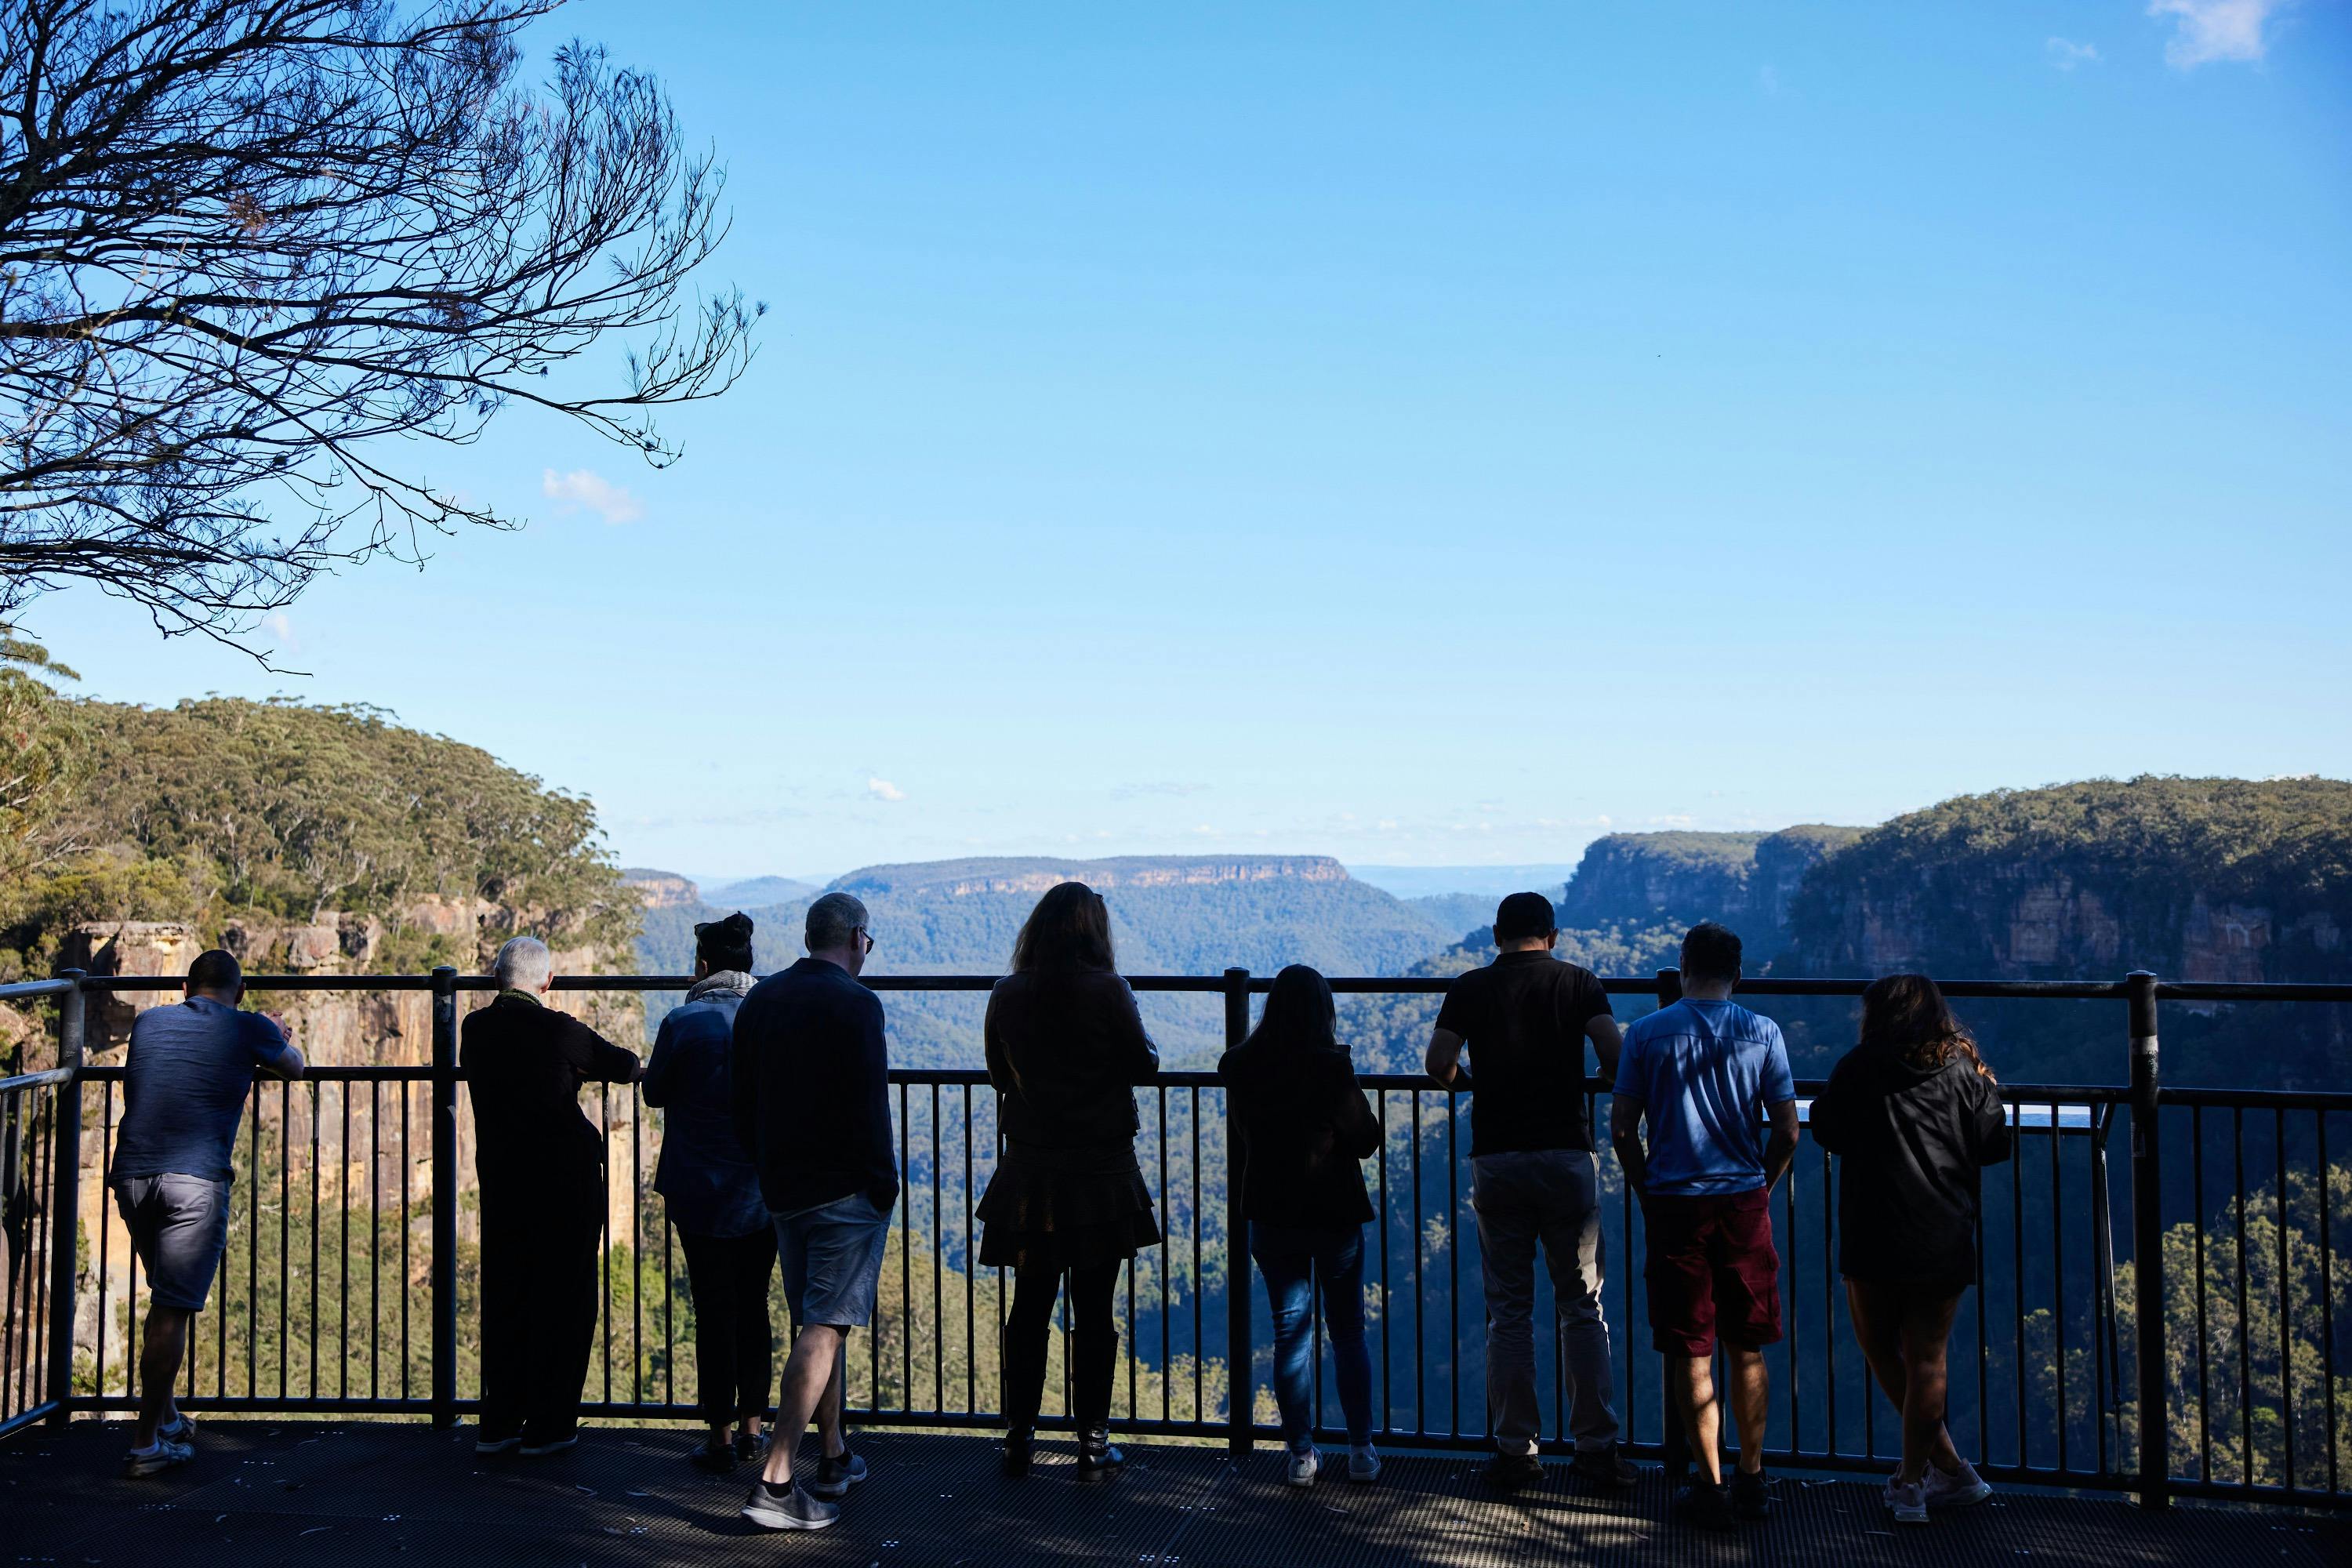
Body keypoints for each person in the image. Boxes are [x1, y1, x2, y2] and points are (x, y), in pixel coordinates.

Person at [1425, 891, 1638, 1494]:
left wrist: (1472, 1086)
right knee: (1581, 1307)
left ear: (1496, 934)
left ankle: (1517, 1453)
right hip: (1566, 1153)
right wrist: (1597, 1079)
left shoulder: (1470, 986)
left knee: (1510, 1312)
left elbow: (1438, 1061)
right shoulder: (1578, 983)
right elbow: (1615, 1056)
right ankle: (1596, 1450)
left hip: (1497, 1156)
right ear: (1553, 933)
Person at [1610, 922, 1800, 1530]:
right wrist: (1761, 1188)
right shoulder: (1763, 1033)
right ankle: (1752, 1477)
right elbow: (1788, 1129)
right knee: (1747, 1347)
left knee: (1691, 1351)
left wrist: (1646, 1190)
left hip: (1675, 1203)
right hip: (1742, 1202)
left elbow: (1621, 1128)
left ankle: (1709, 1486)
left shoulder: (1645, 1034)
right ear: (1737, 975)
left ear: (1684, 967)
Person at [1809, 974, 2011, 1525]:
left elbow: (1825, 1128)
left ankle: (1919, 1479)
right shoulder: (1964, 1072)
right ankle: (1928, 1478)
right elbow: (1995, 1144)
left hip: (1874, 1230)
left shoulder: (1859, 1066)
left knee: (1879, 1349)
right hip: (1943, 1233)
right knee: (1928, 1360)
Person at [977, 881, 1162, 1480]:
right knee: (1095, 1309)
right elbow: (1142, 1064)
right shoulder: (1109, 990)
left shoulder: (1008, 993)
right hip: (1102, 1173)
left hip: (1031, 1172)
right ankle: (1093, 1440)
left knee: (1029, 1306)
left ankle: (1018, 1435)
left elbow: (998, 1074)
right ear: (1093, 932)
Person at [731, 892, 895, 1532]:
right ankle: (776, 1480)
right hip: (845, 1193)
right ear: (856, 939)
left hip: (784, 1190)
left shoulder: (761, 1000)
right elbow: (868, 1104)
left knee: (813, 1322)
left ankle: (833, 1455)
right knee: (825, 1327)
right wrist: (883, 1183)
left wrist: (767, 1163)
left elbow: (739, 1100)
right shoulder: (857, 1005)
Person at [111, 949, 304, 1476]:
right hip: (193, 1181)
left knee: (163, 1297)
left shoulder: (149, 1022)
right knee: (172, 1310)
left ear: (184, 986)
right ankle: (147, 1443)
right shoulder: (247, 1028)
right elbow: (295, 1068)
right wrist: (275, 1033)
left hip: (130, 1177)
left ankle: (167, 1418)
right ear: (239, 994)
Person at [463, 935, 642, 1458]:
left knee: (508, 1294)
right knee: (565, 1299)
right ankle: (550, 1423)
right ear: (548, 982)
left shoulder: (475, 1029)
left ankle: (499, 1422)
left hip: (502, 1180)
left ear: (496, 979)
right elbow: (624, 1064)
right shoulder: (561, 1031)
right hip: (566, 1181)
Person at [1221, 965, 1383, 1486]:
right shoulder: (1330, 1068)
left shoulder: (1241, 1066)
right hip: (1332, 1213)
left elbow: (1247, 1135)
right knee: (1348, 1332)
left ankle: (1300, 1455)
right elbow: (1366, 1139)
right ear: (1323, 1011)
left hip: (1270, 1212)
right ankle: (1360, 1450)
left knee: (1289, 1334)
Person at [642, 911, 774, 1473]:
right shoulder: (771, 1019)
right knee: (756, 1308)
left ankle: (719, 1436)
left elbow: (652, 1093)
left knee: (713, 1308)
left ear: (701, 966)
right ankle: (754, 1429)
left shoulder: (683, 1021)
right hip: (762, 1191)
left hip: (697, 1191)